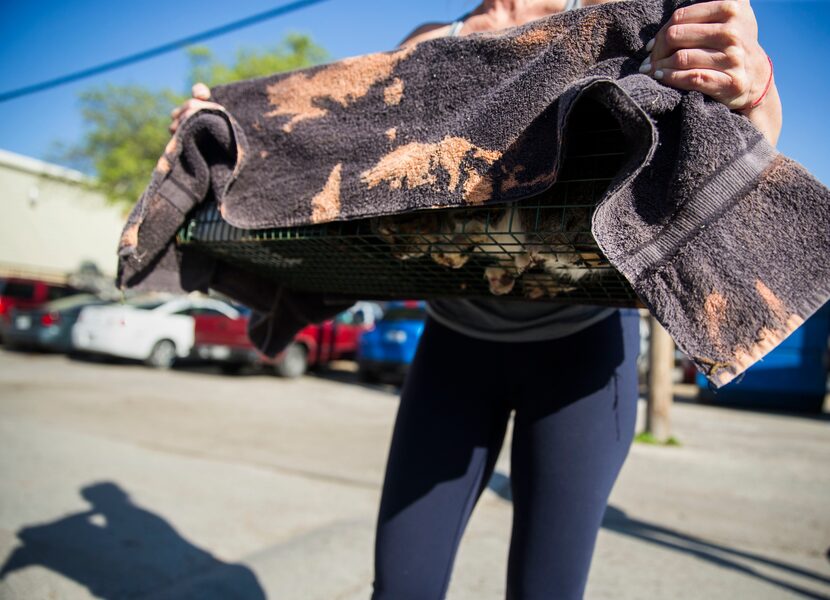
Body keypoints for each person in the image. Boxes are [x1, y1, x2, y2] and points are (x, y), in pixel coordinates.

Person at [171, 1, 782, 597]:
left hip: (582, 355)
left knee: (547, 588)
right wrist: (229, 132)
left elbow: (741, 130)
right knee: (403, 585)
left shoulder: (615, 17)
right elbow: (335, 144)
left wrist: (751, 84)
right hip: (454, 346)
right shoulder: (430, 42)